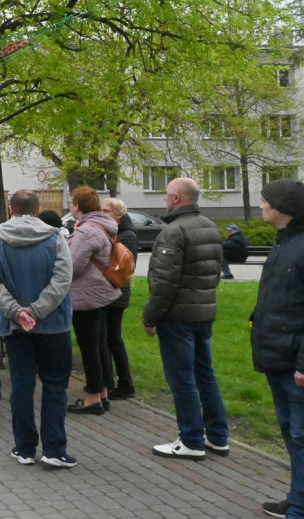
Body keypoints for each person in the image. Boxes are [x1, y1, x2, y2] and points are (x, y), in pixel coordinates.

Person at [0, 189, 76, 469]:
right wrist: (36, 311)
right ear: (37, 209)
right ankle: (55, 449)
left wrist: (17, 311)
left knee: (21, 387)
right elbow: (62, 280)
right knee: (56, 386)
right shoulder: (56, 236)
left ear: (11, 210)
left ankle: (24, 448)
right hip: (54, 325)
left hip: (14, 327)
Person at [143, 177, 229, 461]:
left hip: (177, 317)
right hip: (203, 314)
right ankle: (217, 437)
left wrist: (150, 317)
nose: (165, 199)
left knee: (182, 378)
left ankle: (191, 439)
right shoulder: (210, 227)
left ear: (177, 198)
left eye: (167, 195)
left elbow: (164, 283)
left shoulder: (174, 231)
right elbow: (215, 273)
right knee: (205, 374)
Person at [251, 179, 304, 519]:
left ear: (282, 208)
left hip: (296, 364)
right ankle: (299, 497)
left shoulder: (303, 246)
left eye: (265, 201)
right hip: (277, 356)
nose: (260, 206)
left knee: (302, 438)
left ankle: (300, 509)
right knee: (292, 434)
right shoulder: (284, 242)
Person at [65, 187, 120, 416]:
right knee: (100, 345)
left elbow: (73, 266)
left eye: (71, 201)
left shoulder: (87, 230)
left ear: (77, 205)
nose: (70, 205)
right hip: (102, 293)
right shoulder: (103, 225)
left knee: (90, 348)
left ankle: (93, 397)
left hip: (87, 297)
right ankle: (104, 392)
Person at [101, 198, 138, 400]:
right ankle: (111, 382)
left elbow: (125, 266)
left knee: (113, 339)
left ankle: (124, 384)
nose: (103, 214)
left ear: (119, 214)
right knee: (109, 338)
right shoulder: (117, 232)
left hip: (117, 292)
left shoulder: (126, 235)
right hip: (113, 291)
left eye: (106, 211)